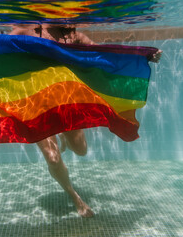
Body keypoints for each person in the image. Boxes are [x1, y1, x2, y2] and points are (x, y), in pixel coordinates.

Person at [9, 24, 162, 218]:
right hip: (36, 105)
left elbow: (104, 55)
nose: (69, 19)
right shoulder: (28, 30)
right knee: (54, 159)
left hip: (66, 103)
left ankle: (64, 136)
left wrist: (143, 56)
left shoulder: (75, 36)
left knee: (81, 150)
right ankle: (75, 197)